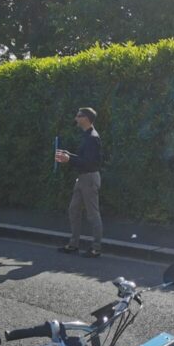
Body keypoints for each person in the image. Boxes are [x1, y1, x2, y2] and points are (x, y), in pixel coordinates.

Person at [56, 107, 104, 258]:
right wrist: (68, 154)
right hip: (83, 178)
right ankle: (73, 244)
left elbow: (89, 163)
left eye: (78, 116)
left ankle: (96, 248)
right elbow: (83, 158)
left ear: (86, 118)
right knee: (73, 210)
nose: (76, 118)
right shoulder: (87, 136)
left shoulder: (92, 138)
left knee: (93, 214)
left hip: (89, 178)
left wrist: (69, 159)